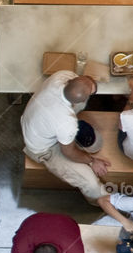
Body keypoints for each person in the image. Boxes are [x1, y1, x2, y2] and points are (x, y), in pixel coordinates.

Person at [20, 70, 110, 204]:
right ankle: (100, 202)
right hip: (42, 148)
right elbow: (69, 153)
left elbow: (81, 84)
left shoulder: (60, 76)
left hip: (33, 122)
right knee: (90, 183)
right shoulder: (66, 122)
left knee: (75, 112)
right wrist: (91, 161)